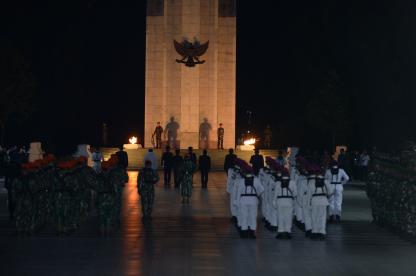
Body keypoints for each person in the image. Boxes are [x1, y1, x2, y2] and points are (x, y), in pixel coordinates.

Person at [234, 163, 264, 239]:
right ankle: (252, 232)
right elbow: (261, 190)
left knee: (244, 216)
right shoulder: (256, 180)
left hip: (243, 201)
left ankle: (244, 232)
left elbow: (238, 193)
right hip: (253, 201)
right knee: (253, 216)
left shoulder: (241, 181)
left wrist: (237, 203)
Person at [309, 171, 333, 240]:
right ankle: (321, 232)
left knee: (314, 217)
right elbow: (331, 192)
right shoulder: (326, 182)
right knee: (322, 218)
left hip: (314, 201)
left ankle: (314, 232)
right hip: (323, 201)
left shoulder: (311, 182)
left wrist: (308, 203)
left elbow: (309, 195)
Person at [273, 169, 297, 239]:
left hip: (280, 201)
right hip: (289, 201)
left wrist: (274, 204)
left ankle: (280, 232)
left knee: (280, 217)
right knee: (288, 217)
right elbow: (295, 194)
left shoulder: (278, 183)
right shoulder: (292, 182)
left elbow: (275, 195)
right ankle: (288, 232)